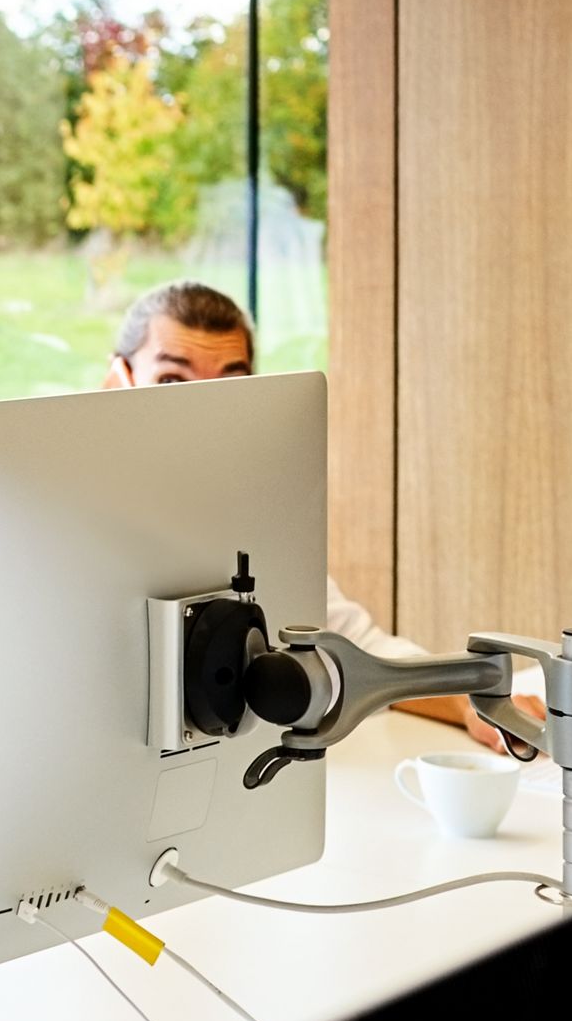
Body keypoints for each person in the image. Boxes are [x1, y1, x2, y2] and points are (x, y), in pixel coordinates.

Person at [100, 279, 537, 755]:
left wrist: (472, 706)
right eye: (171, 381)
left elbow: (360, 651)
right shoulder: (67, 519)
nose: (202, 412)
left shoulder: (256, 518)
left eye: (229, 386)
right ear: (116, 380)